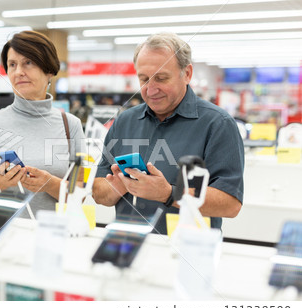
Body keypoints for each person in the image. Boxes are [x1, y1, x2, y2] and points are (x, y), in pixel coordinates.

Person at [92, 32, 244, 235]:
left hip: (187, 252)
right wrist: (120, 187)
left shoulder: (217, 124)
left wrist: (169, 194)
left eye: (161, 78)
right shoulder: (124, 121)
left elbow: (230, 204)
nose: (151, 89)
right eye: (144, 79)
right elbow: (99, 192)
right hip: (125, 245)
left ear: (187, 74)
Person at [0, 31, 85, 214]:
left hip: (51, 235)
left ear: (49, 70)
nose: (19, 72)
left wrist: (50, 184)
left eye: (28, 62)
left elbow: (81, 193)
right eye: (12, 65)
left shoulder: (71, 126)